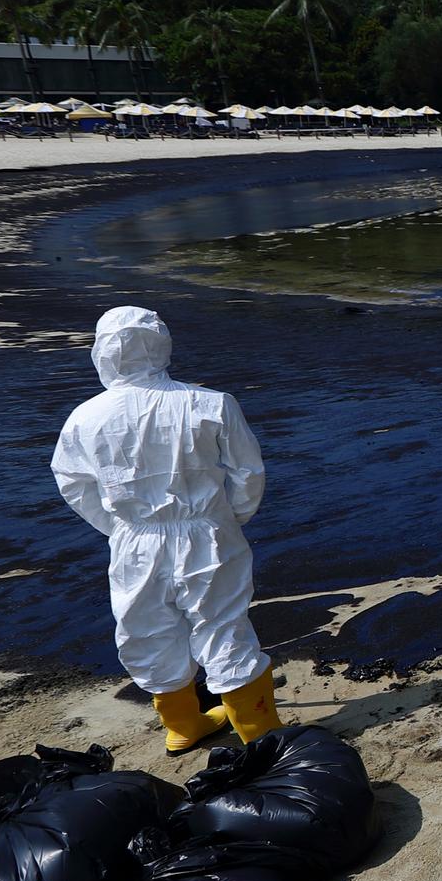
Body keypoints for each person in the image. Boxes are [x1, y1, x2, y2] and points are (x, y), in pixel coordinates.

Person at [52, 306, 282, 754]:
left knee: (147, 628)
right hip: (207, 533)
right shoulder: (210, 402)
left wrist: (118, 527)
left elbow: (74, 484)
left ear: (101, 353)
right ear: (162, 345)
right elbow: (248, 473)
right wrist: (230, 518)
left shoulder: (85, 417)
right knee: (222, 624)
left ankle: (182, 726)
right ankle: (260, 735)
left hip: (135, 540)